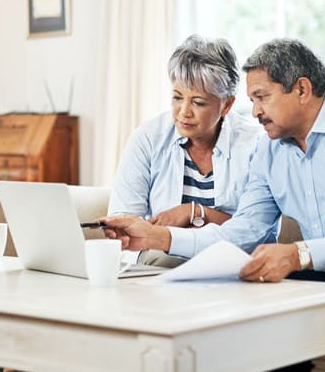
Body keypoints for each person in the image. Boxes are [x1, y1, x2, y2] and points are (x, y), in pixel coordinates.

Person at [101, 39, 325, 371]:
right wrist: (157, 237)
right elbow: (244, 232)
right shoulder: (268, 150)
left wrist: (297, 254)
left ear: (301, 89)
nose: (253, 111)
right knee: (270, 295)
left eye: (261, 97)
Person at [108, 35, 274, 268]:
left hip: (230, 260)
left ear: (226, 104)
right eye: (177, 97)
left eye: (198, 102)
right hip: (160, 260)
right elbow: (123, 224)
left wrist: (195, 212)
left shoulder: (256, 145)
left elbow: (256, 231)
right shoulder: (147, 138)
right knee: (164, 260)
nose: (183, 112)